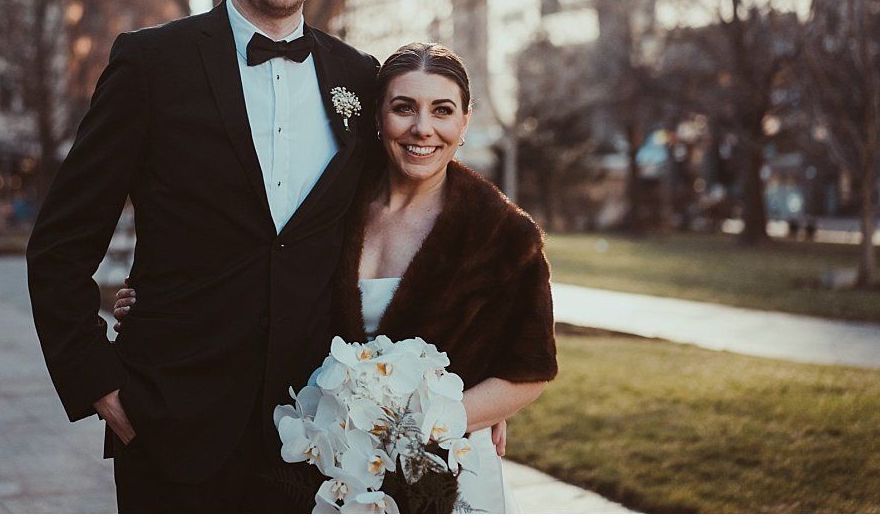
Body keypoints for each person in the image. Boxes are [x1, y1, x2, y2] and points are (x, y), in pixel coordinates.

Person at [26, 0, 379, 513]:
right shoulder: (150, 65)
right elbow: (61, 241)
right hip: (170, 421)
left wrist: (474, 384)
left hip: (318, 431)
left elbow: (406, 220)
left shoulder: (358, 77)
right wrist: (99, 382)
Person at [116, 42, 558, 513]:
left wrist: (432, 419)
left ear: (464, 122)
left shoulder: (504, 235)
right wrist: (161, 305)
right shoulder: (331, 208)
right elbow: (256, 270)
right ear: (377, 118)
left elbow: (529, 370)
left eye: (442, 110)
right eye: (403, 108)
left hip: (443, 472)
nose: (421, 128)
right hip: (331, 472)